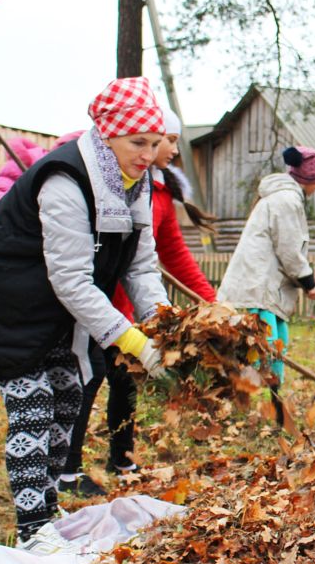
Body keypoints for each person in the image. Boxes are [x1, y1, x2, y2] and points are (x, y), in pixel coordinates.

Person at [0, 77, 171, 555]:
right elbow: (71, 280)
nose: (148, 154)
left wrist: (164, 324)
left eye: (155, 142)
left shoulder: (137, 184)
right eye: (137, 142)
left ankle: (45, 507)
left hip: (42, 305)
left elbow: (141, 266)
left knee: (68, 391)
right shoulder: (65, 179)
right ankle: (31, 530)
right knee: (34, 401)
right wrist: (134, 342)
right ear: (108, 135)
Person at [59, 107, 218, 496]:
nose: (172, 150)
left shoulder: (156, 191)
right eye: (169, 140)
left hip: (127, 308)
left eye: (170, 141)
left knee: (125, 381)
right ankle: (67, 468)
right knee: (87, 377)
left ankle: (121, 457)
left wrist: (213, 302)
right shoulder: (108, 180)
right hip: (92, 303)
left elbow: (171, 253)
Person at [217, 146, 315, 419]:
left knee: (275, 349)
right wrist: (308, 281)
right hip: (258, 289)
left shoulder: (285, 197)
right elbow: (289, 248)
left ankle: (273, 406)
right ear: (312, 180)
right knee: (262, 351)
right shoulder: (287, 200)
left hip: (264, 288)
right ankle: (240, 406)